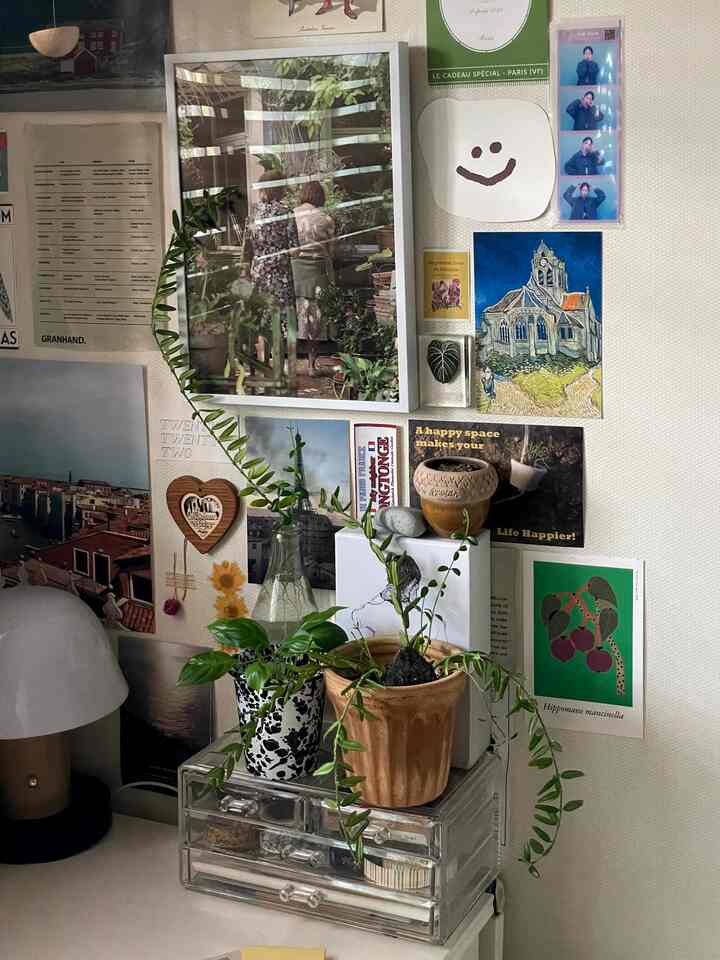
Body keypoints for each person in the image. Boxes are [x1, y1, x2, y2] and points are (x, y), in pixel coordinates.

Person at [250, 170, 299, 355]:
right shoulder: (286, 212)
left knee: (263, 315)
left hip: (260, 272)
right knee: (284, 318)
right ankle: (285, 366)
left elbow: (250, 243)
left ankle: (265, 361)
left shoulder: (255, 213)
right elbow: (295, 249)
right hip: (280, 275)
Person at [291, 181, 336, 377]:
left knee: (291, 317)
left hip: (295, 270)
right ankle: (311, 365)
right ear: (320, 197)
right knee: (314, 321)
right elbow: (331, 251)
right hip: (317, 272)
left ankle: (290, 367)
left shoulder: (291, 215)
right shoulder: (326, 219)